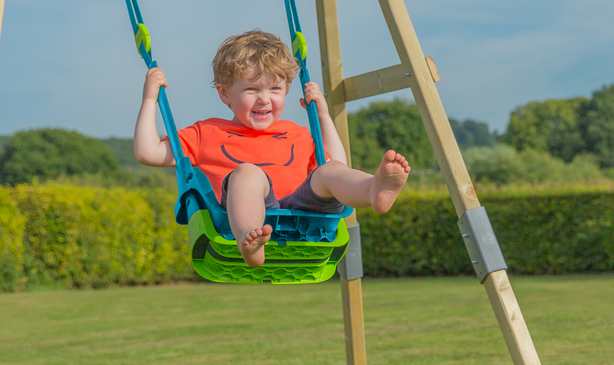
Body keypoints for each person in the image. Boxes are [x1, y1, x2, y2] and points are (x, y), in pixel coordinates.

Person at [134, 30, 410, 267]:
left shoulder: (297, 133)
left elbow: (338, 165)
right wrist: (150, 99)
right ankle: (250, 239)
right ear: (224, 93)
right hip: (241, 217)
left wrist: (324, 117)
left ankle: (373, 189)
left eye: (275, 88)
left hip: (301, 212)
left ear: (288, 89)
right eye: (252, 89)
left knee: (327, 170)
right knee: (246, 173)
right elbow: (149, 152)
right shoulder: (206, 132)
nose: (265, 99)